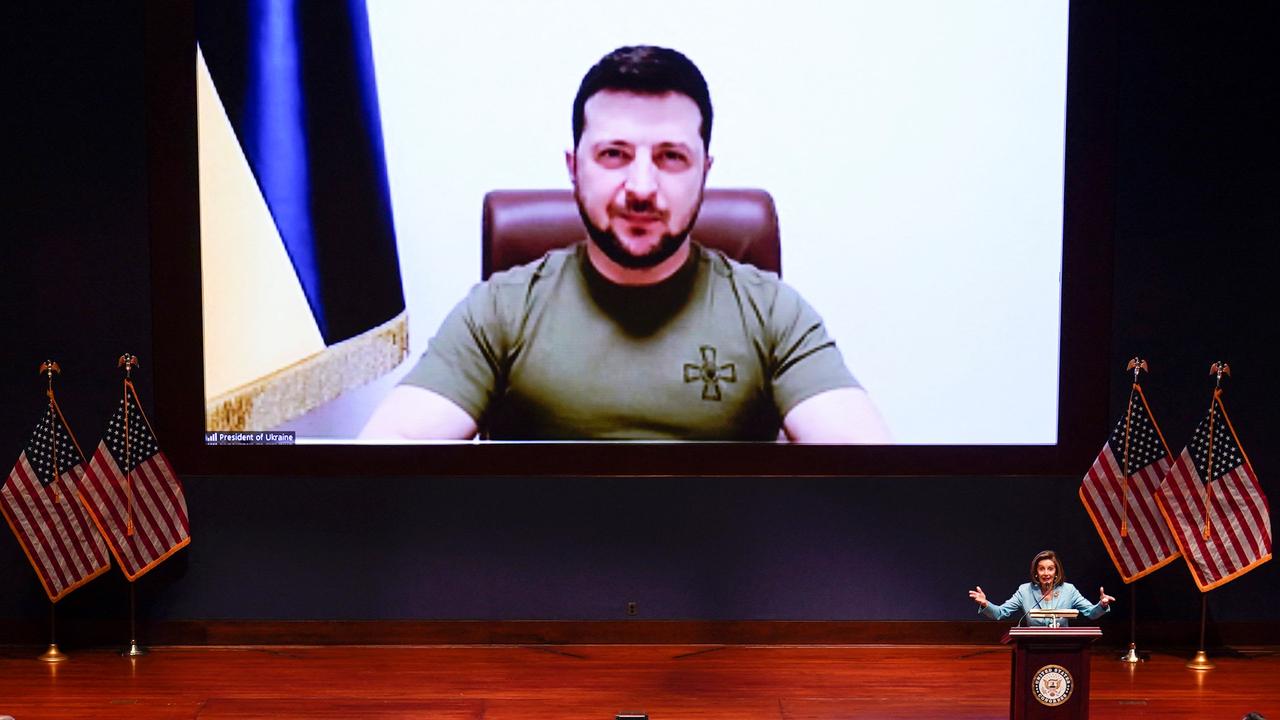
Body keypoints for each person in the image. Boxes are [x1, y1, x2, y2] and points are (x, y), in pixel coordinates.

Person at [360, 46, 890, 442]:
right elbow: (385, 462)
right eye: (614, 154)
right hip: (542, 582)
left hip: (719, 586)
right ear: (574, 169)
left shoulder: (772, 312)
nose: (641, 187)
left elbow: (872, 475)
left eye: (670, 157)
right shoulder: (500, 311)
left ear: (704, 171)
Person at [968, 550, 1114, 626]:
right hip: (1033, 645)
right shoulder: (1024, 591)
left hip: (1064, 645)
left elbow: (1091, 613)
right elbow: (1000, 613)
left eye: (1050, 569)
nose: (1046, 573)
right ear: (1036, 572)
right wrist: (985, 604)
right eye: (1041, 569)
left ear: (1056, 571)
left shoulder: (1069, 590)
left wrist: (1102, 605)